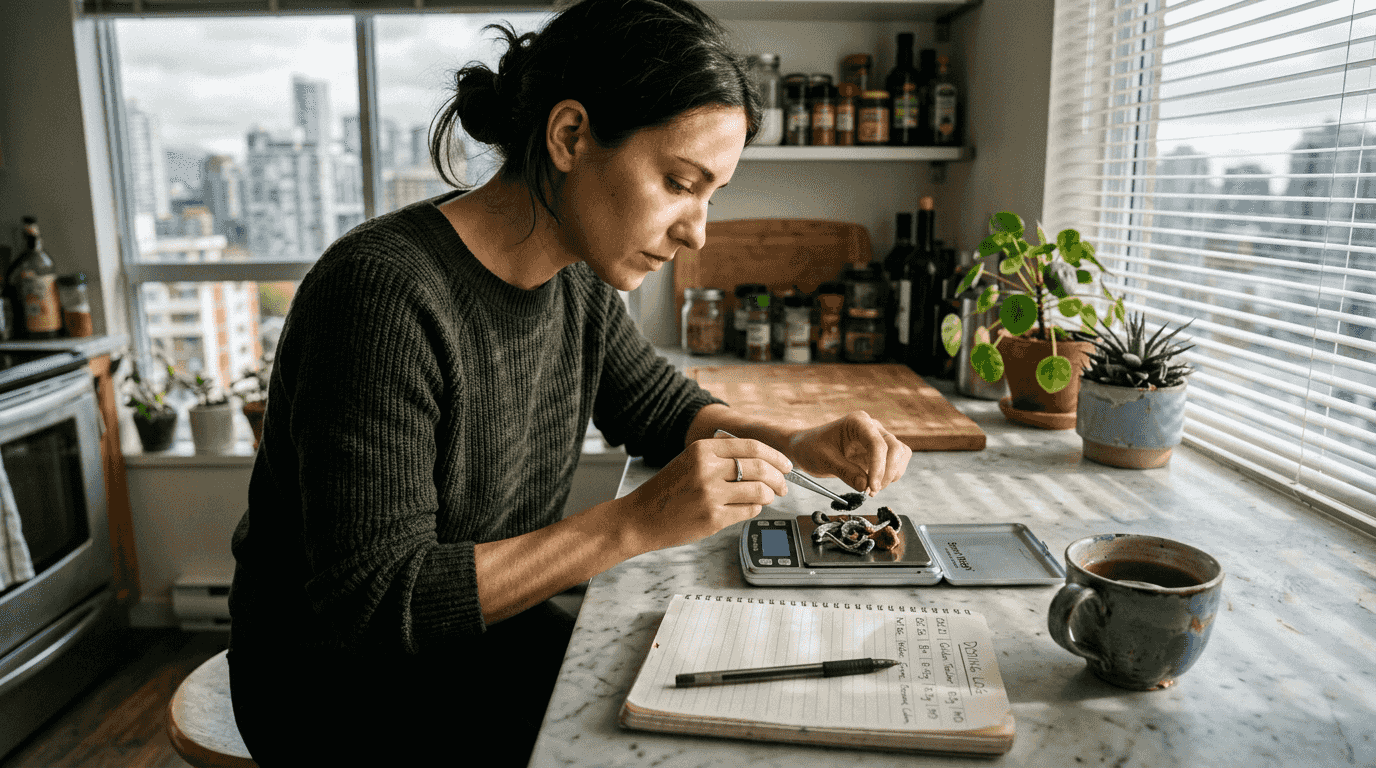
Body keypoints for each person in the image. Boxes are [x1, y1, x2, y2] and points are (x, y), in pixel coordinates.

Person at [226, 0, 913, 764]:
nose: (698, 231)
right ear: (570, 136)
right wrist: (635, 522)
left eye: (711, 196)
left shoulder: (576, 278)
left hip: (482, 639)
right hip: (342, 699)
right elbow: (378, 604)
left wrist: (794, 441)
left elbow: (660, 408)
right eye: (679, 182)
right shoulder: (383, 294)